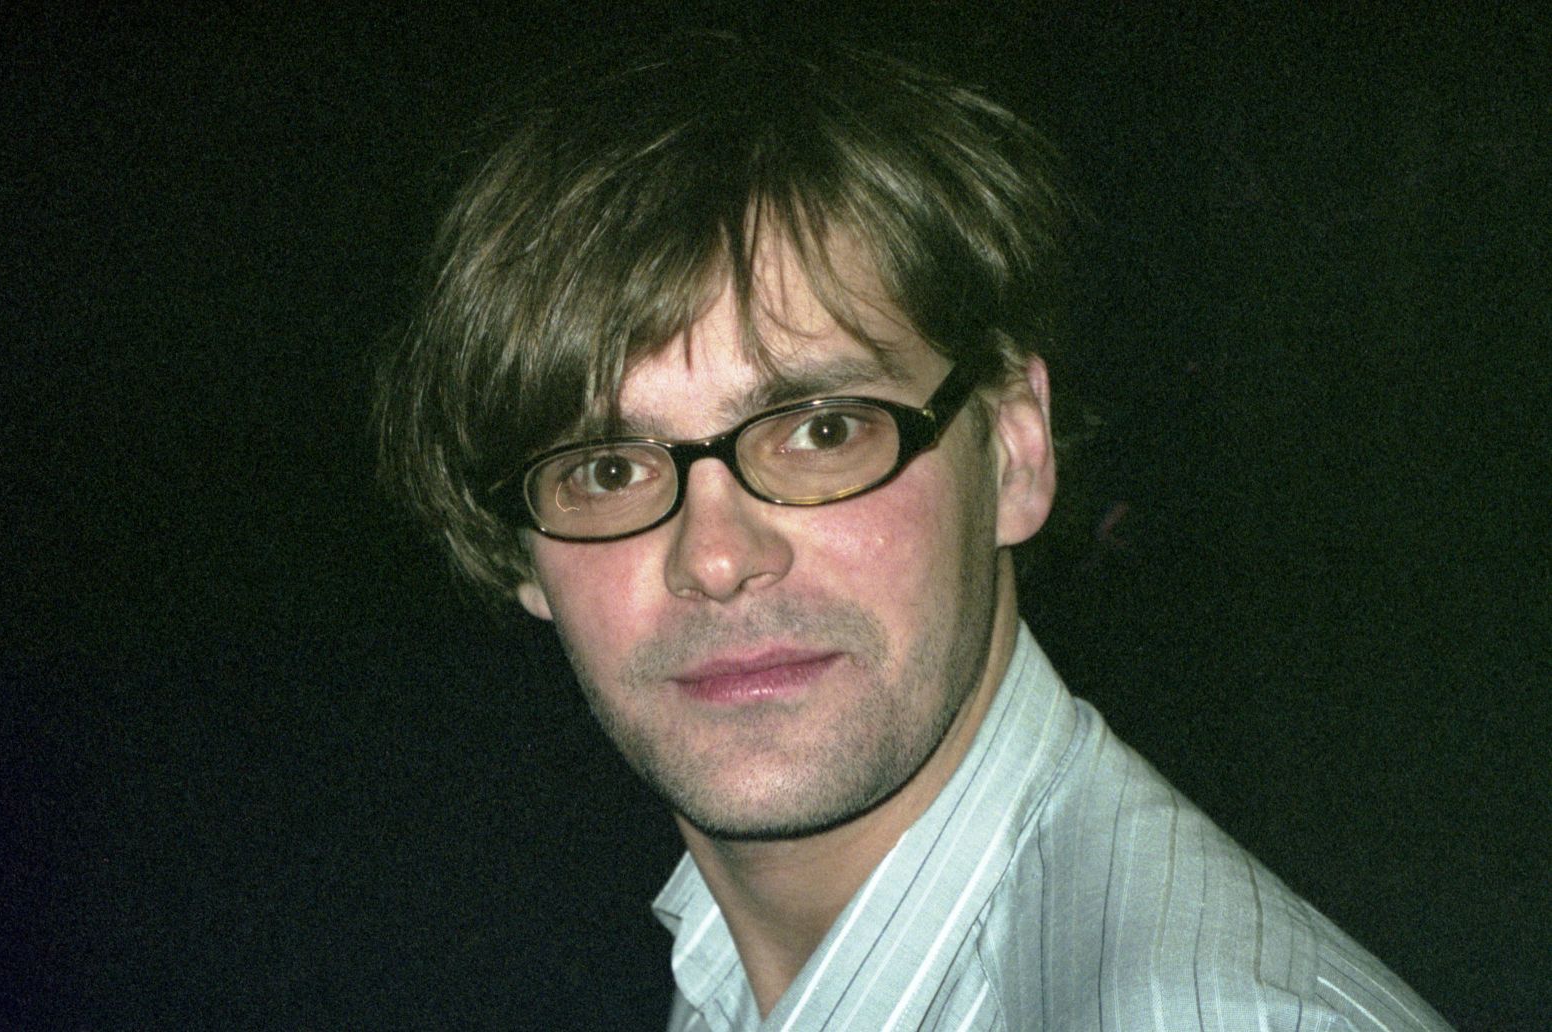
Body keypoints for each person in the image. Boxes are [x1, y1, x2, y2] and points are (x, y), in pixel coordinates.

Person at [375, 31, 1453, 1032]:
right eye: (607, 469)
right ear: (519, 551)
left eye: (822, 431)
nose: (716, 557)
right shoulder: (730, 965)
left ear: (1015, 452)